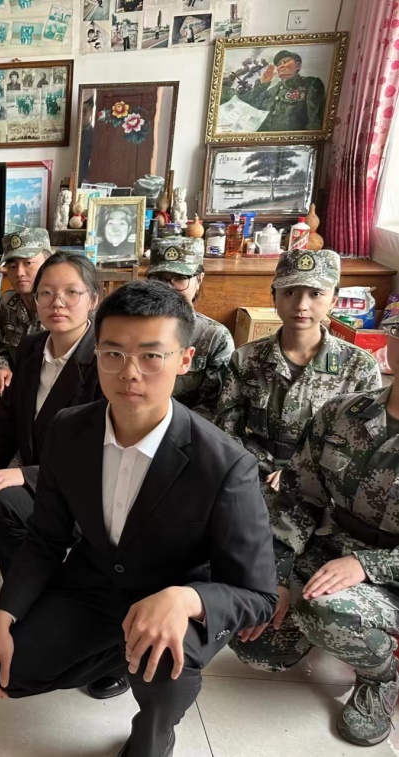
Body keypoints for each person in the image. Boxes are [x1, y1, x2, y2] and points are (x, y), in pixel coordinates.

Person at [0, 281, 278, 757]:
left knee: (164, 664)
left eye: (152, 356)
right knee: (12, 674)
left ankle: (153, 736)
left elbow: (259, 596)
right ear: (96, 353)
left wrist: (187, 599)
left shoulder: (225, 465)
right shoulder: (69, 429)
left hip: (176, 599)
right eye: (113, 354)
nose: (130, 373)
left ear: (185, 359)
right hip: (97, 582)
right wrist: (2, 616)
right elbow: (45, 539)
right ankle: (118, 654)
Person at [229, 310, 399, 747]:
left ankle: (381, 676)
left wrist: (367, 565)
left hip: (389, 571)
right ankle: (339, 626)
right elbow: (299, 496)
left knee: (323, 608)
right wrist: (277, 576)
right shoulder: (343, 413)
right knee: (255, 641)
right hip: (332, 548)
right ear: (390, 345)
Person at [0, 252, 102, 569]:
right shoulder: (31, 347)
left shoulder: (105, 361)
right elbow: (5, 428)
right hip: (39, 486)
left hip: (81, 494)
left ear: (93, 300)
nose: (57, 303)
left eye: (71, 292)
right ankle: (39, 561)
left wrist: (25, 476)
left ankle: (35, 586)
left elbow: (99, 457)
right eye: (46, 293)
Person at [214, 248, 381, 506]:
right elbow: (226, 430)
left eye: (316, 294)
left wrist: (300, 471)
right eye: (290, 292)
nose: (302, 305)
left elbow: (363, 448)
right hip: (251, 474)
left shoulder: (359, 366)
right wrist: (247, 470)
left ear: (334, 299)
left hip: (323, 487)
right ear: (274, 296)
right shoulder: (246, 358)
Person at [146, 243, 233, 419]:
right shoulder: (133, 329)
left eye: (180, 278)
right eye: (159, 279)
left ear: (199, 279)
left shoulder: (215, 337)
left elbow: (214, 405)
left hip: (190, 429)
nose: (169, 288)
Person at [0, 229, 49, 394]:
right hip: (17, 389)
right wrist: (2, 367)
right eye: (12, 266)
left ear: (48, 264)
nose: (19, 273)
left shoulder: (63, 306)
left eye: (28, 263)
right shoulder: (7, 303)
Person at [235, 50, 327, 133]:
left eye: (285, 61)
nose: (281, 66)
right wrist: (262, 85)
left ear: (297, 65)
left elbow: (314, 122)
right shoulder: (272, 90)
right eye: (279, 64)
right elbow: (250, 107)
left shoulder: (309, 84)